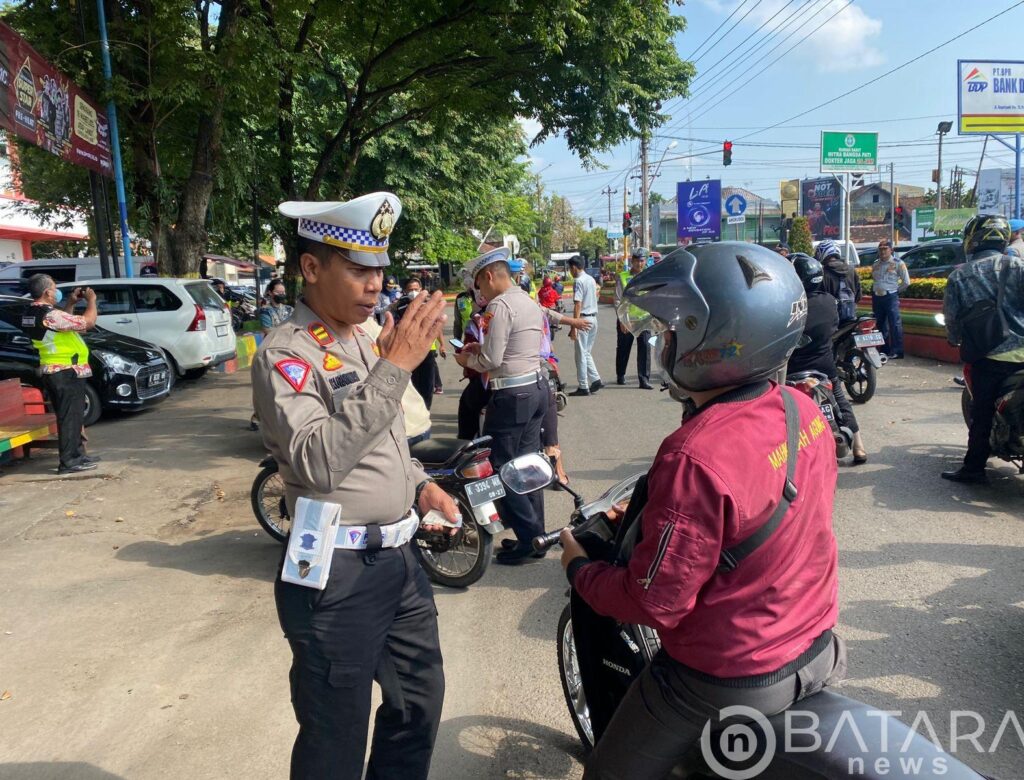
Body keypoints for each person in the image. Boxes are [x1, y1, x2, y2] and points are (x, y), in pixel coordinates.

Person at [559, 243, 844, 779]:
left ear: (710, 340)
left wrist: (580, 568)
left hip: (726, 675)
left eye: (674, 330)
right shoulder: (800, 408)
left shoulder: (694, 454)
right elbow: (767, 516)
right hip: (817, 644)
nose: (665, 340)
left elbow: (653, 604)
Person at [253, 193, 456, 780]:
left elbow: (384, 440)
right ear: (311, 268)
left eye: (380, 269)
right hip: (334, 574)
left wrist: (419, 486)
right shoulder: (285, 355)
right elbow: (317, 461)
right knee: (335, 736)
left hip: (399, 562)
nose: (375, 285)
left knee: (418, 706)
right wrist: (395, 369)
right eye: (359, 269)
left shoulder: (366, 339)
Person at [454, 247, 548, 565]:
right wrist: (482, 348)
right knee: (528, 465)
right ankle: (537, 535)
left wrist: (466, 357)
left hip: (511, 395)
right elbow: (511, 347)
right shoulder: (526, 299)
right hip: (535, 388)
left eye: (479, 283)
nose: (478, 290)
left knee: (501, 468)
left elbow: (492, 360)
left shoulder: (499, 305)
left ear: (490, 276)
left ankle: (528, 537)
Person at [941, 214, 1024, 484]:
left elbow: (952, 319)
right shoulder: (1018, 266)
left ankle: (974, 469)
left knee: (982, 413)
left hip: (991, 357)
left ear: (973, 239)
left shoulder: (960, 276)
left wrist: (954, 339)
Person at [787, 253, 867, 463]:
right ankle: (859, 447)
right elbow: (833, 327)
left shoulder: (786, 304)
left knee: (779, 406)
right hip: (825, 365)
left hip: (793, 367)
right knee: (841, 401)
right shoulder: (829, 301)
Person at [23, 275, 101, 474]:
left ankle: (77, 455)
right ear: (47, 292)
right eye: (54, 288)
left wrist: (71, 303)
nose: (56, 291)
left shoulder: (34, 312)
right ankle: (69, 461)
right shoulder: (49, 315)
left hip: (57, 370)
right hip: (65, 371)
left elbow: (62, 326)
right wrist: (91, 300)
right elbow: (88, 322)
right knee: (69, 418)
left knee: (72, 417)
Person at [403, 277, 446, 407]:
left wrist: (442, 344)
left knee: (427, 385)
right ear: (405, 291)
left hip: (428, 349)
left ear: (421, 290)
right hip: (408, 351)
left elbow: (436, 328)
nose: (413, 292)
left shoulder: (429, 307)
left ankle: (425, 409)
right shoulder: (401, 307)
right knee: (412, 385)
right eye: (410, 290)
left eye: (416, 289)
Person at [614, 247, 653, 389]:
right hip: (627, 319)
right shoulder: (623, 276)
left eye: (641, 261)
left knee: (645, 349)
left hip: (644, 319)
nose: (639, 264)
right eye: (636, 261)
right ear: (632, 261)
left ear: (645, 261)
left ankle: (644, 379)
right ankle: (621, 374)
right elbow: (618, 300)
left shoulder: (650, 276)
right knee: (624, 348)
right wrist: (622, 319)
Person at [567, 256, 602, 396]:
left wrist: (573, 326)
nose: (570, 272)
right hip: (593, 319)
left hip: (583, 319)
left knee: (580, 354)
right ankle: (595, 379)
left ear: (574, 267)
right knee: (586, 352)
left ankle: (583, 385)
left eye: (570, 268)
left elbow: (577, 304)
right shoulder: (591, 279)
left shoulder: (579, 281)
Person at [870, 239, 909, 359]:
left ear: (891, 250)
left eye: (885, 249)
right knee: (880, 325)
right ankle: (884, 350)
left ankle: (897, 350)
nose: (882, 252)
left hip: (890, 296)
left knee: (894, 324)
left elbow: (906, 282)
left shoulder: (898, 263)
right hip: (877, 297)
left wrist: (895, 291)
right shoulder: (876, 264)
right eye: (880, 249)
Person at [816, 239, 861, 326]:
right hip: (851, 315)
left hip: (831, 318)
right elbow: (858, 295)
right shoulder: (851, 270)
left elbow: (820, 297)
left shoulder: (823, 272)